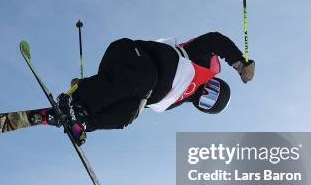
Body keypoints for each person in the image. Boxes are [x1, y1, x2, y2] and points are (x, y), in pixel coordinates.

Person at [55, 31, 255, 145]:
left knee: (130, 114)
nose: (204, 93)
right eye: (212, 88)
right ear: (214, 80)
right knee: (145, 80)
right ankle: (80, 100)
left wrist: (92, 85)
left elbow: (124, 94)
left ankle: (81, 120)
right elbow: (215, 40)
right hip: (129, 54)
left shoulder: (175, 100)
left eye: (208, 100)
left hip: (120, 78)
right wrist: (239, 63)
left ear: (202, 108)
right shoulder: (199, 61)